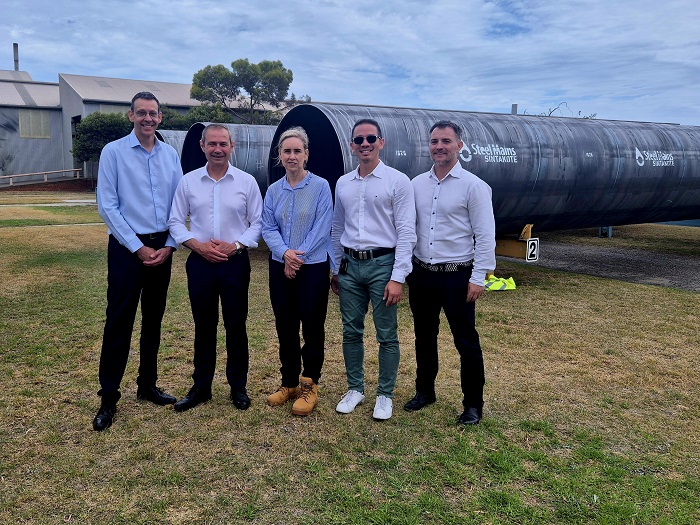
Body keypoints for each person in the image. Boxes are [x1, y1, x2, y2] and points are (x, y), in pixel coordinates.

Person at [93, 92, 183, 431]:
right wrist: (137, 248)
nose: (148, 118)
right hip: (127, 249)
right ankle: (109, 397)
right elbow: (108, 205)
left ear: (160, 118)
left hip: (162, 247)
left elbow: (179, 204)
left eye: (153, 113)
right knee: (119, 322)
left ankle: (147, 385)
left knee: (153, 319)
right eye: (141, 113)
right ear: (131, 115)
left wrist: (171, 245)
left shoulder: (170, 154)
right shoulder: (114, 152)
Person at [404, 120, 496, 425]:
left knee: (466, 341)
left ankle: (473, 405)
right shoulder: (416, 184)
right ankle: (425, 391)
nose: (439, 147)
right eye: (434, 141)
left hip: (458, 276)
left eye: (445, 141)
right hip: (422, 274)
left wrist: (478, 277)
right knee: (424, 337)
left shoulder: (474, 187)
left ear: (459, 145)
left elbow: (485, 236)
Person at [168, 124, 262, 412]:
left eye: (223, 144)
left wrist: (235, 246)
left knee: (236, 325)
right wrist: (198, 246)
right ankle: (201, 387)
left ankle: (238, 387)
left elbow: (257, 223)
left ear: (232, 146)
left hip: (234, 263)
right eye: (212, 144)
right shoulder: (188, 182)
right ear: (202, 146)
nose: (218, 149)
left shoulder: (247, 182)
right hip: (200, 263)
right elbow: (174, 221)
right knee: (204, 325)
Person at [331, 118, 416, 420]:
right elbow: (337, 227)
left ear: (382, 142)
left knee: (386, 334)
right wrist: (335, 267)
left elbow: (407, 231)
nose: (365, 144)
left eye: (371, 138)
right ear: (352, 145)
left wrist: (398, 277)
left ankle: (385, 394)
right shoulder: (343, 183)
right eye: (359, 139)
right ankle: (355, 388)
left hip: (383, 264)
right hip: (350, 265)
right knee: (351, 330)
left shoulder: (397, 181)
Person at [262, 127, 334, 416]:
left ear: (306, 154)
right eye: (286, 151)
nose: (292, 156)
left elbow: (322, 225)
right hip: (281, 267)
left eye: (297, 151)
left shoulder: (321, 186)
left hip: (313, 267)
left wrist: (298, 256)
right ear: (280, 155)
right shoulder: (274, 190)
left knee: (313, 327)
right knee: (285, 325)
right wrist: (285, 254)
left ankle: (309, 384)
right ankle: (289, 382)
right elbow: (268, 227)